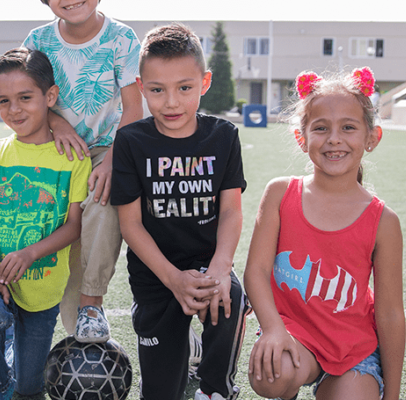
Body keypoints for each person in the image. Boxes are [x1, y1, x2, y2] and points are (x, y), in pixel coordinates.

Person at [244, 67, 404, 400]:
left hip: (353, 346)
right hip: (294, 333)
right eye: (321, 128)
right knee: (271, 376)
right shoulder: (279, 194)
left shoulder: (383, 221)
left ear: (371, 137)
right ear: (301, 138)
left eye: (348, 127)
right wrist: (273, 329)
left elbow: (389, 313)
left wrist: (393, 395)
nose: (334, 139)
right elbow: (256, 272)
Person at [110, 24, 249, 400]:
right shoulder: (131, 141)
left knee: (229, 294)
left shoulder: (223, 136)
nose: (171, 102)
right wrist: (173, 279)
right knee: (160, 394)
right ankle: (182, 345)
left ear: (204, 82)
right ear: (142, 87)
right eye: (157, 90)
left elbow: (232, 212)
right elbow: (130, 224)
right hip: (157, 274)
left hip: (207, 264)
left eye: (184, 88)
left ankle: (216, 387)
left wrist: (221, 267)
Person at [0, 47, 91, 400]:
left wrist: (31, 252)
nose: (14, 109)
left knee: (31, 390)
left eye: (25, 97)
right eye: (4, 100)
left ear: (49, 96)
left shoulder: (73, 158)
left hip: (44, 288)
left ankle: (17, 382)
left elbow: (75, 225)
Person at [24, 0, 144, 343]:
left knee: (104, 196)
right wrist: (56, 122)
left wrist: (112, 160)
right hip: (53, 148)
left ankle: (92, 304)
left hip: (107, 147)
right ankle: (27, 321)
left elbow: (133, 108)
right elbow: (27, 97)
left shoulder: (121, 38)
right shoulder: (37, 41)